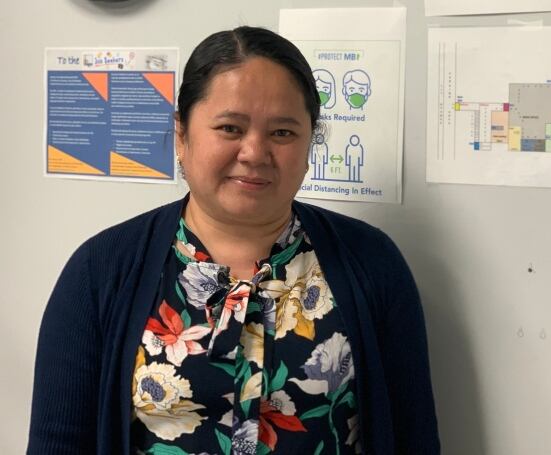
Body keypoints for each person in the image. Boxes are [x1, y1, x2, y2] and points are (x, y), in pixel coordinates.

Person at [28, 26, 439, 455]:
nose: (255, 152)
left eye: (283, 133)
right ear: (182, 136)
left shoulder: (372, 263)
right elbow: (57, 443)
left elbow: (415, 436)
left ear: (309, 143)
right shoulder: (100, 272)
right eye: (229, 127)